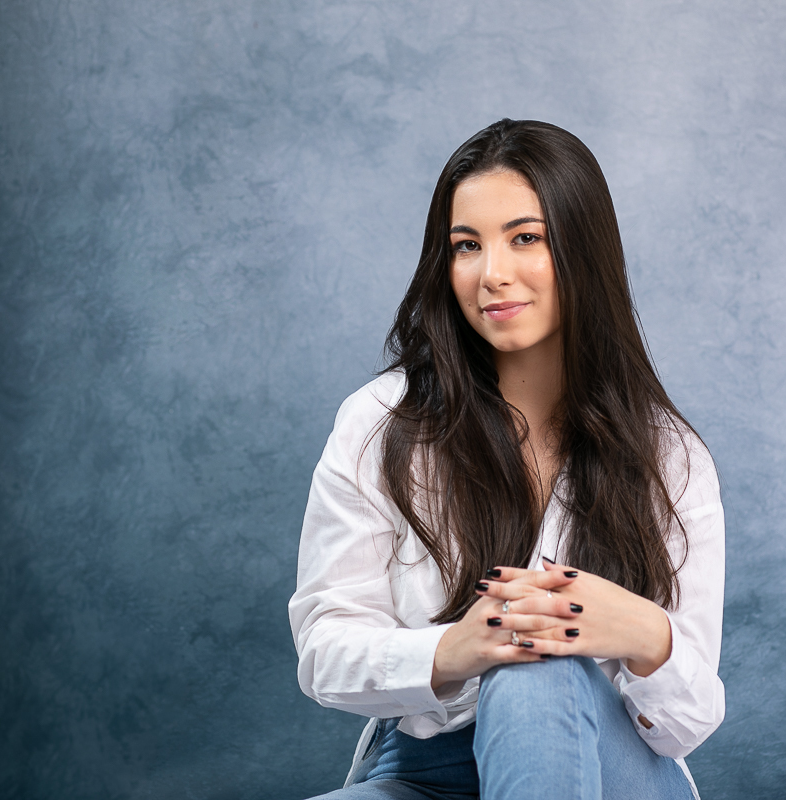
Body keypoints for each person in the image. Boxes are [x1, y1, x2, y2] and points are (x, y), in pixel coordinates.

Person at [289, 119, 725, 799]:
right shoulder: (379, 423)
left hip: (611, 773)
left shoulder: (669, 454)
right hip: (425, 774)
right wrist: (452, 651)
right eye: (467, 246)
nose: (492, 274)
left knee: (538, 668)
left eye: (526, 238)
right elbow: (324, 650)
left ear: (583, 249)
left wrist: (641, 630)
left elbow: (688, 723)